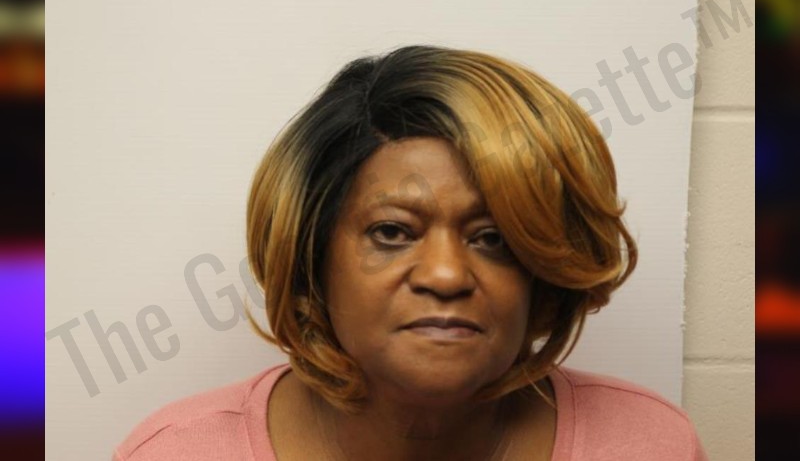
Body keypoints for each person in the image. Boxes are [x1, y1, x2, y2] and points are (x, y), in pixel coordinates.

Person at [112, 45, 708, 460]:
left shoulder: (652, 444)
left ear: (544, 275)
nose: (446, 275)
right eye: (393, 232)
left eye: (493, 238)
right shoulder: (174, 452)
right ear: (312, 258)